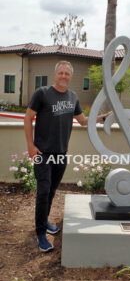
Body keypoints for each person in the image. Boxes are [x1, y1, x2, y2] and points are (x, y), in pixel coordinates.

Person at [24, 60, 111, 252]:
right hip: (42, 153)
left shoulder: (73, 97)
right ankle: (40, 233)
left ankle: (44, 221)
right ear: (55, 75)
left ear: (71, 77)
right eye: (61, 73)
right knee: (43, 190)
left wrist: (103, 118)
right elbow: (28, 117)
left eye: (67, 73)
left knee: (52, 190)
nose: (64, 76)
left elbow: (82, 121)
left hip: (61, 153)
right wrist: (30, 145)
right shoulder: (42, 93)